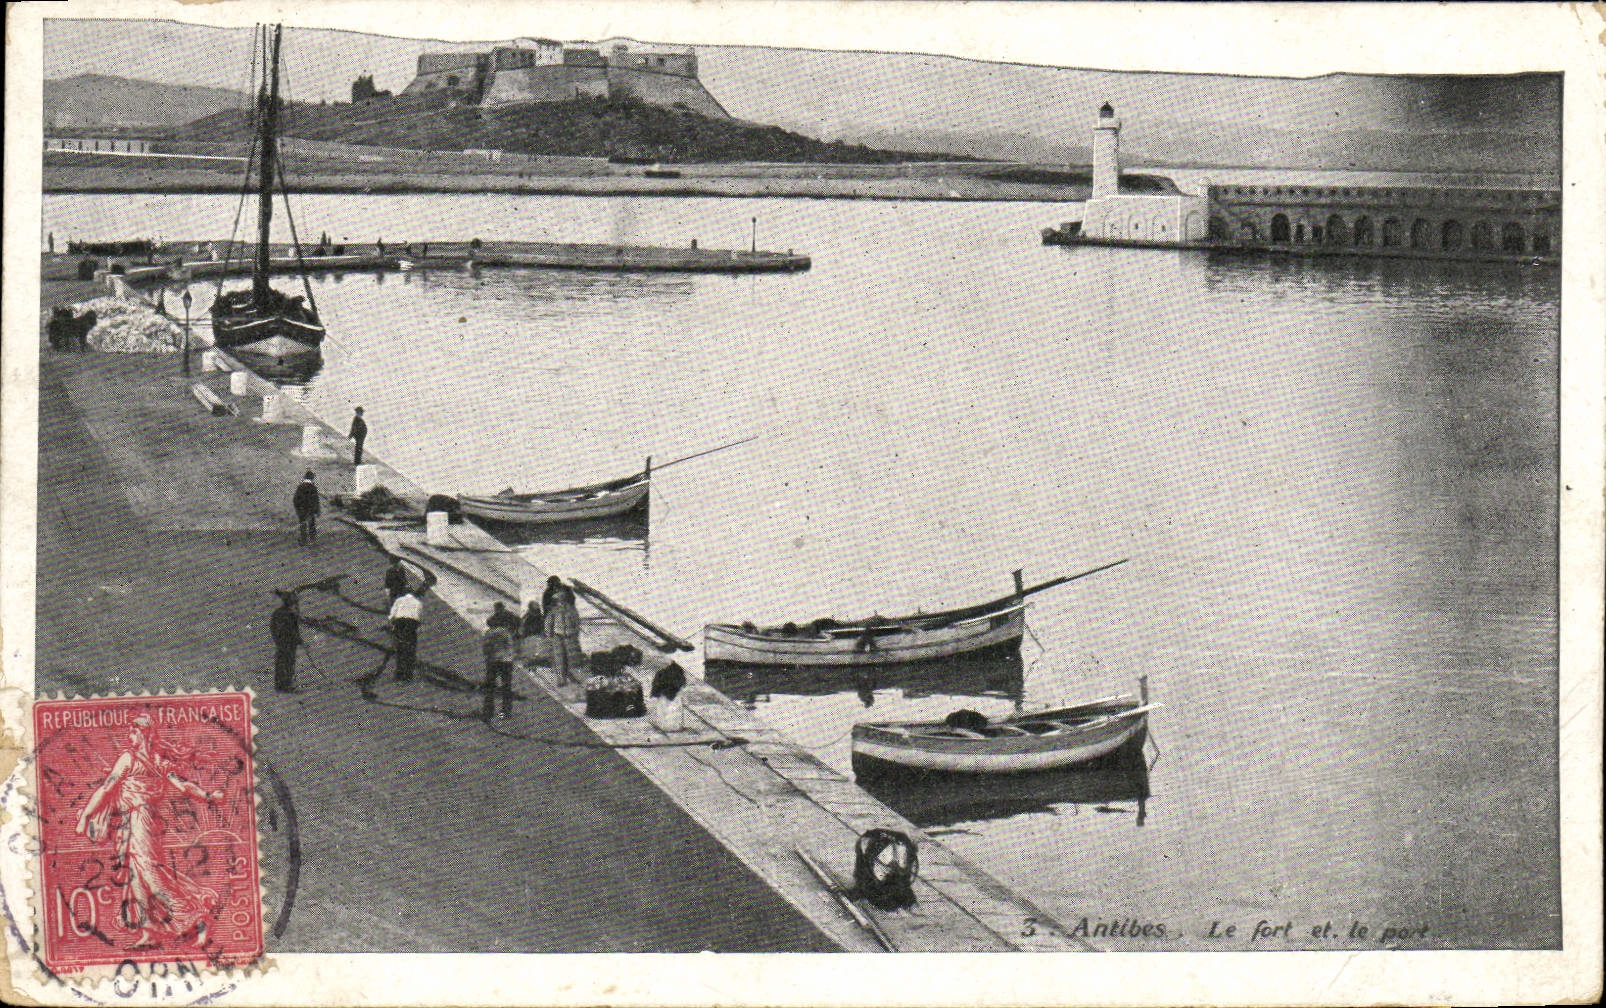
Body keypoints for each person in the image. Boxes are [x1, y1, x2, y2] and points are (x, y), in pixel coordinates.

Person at [75, 714, 223, 949]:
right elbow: (106, 788)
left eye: (133, 732)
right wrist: (86, 815)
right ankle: (149, 931)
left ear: (143, 734)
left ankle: (198, 919)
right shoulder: (134, 759)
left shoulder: (148, 761)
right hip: (129, 822)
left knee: (152, 878)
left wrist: (208, 796)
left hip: (143, 821)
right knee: (135, 877)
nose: (129, 736)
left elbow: (183, 786)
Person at [544, 584, 582, 684]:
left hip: (569, 636)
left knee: (570, 657)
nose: (561, 602)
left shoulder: (572, 609)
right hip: (557, 636)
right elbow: (548, 622)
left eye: (562, 599)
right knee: (559, 658)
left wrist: (575, 633)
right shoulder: (554, 610)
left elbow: (577, 622)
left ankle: (572, 676)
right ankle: (561, 679)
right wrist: (549, 634)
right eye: (559, 600)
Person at [481, 620, 516, 721]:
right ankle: (506, 712)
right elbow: (510, 648)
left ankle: (488, 712)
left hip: (493, 661)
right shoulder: (507, 633)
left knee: (490, 686)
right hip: (507, 662)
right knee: (506, 687)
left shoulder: (489, 633)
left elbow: (485, 648)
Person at [270, 591, 301, 693]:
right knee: (285, 663)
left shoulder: (286, 613)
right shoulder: (285, 614)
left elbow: (294, 629)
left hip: (288, 643)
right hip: (285, 642)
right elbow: (276, 628)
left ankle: (284, 684)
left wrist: (297, 639)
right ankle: (283, 685)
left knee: (286, 663)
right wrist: (280, 639)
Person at [389, 588, 422, 681]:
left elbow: (392, 615)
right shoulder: (418, 603)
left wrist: (393, 624)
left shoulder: (399, 600)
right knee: (410, 650)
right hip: (411, 625)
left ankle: (399, 673)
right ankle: (408, 674)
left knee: (400, 649)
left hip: (400, 623)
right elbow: (418, 616)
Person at [292, 471, 320, 546]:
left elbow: (295, 499)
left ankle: (303, 540)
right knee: (311, 525)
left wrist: (298, 508)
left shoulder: (300, 487)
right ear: (312, 478)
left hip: (302, 509)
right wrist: (317, 510)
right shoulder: (313, 488)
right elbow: (315, 500)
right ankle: (313, 540)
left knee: (303, 524)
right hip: (310, 510)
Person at [518, 599, 545, 667]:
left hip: (532, 637)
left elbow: (522, 626)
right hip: (533, 637)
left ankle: (530, 664)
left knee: (531, 654)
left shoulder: (529, 616)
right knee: (532, 655)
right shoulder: (532, 616)